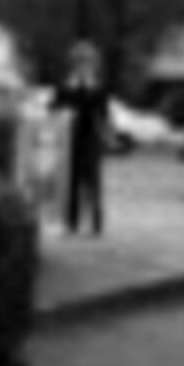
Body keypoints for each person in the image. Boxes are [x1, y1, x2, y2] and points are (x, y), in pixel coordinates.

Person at [50, 41, 111, 236]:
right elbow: (53, 108)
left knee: (93, 180)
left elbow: (104, 113)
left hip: (91, 138)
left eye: (87, 62)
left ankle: (96, 223)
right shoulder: (65, 85)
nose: (83, 66)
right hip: (70, 138)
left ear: (93, 64)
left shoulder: (98, 86)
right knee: (71, 181)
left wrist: (106, 133)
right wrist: (66, 101)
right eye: (80, 62)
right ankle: (71, 222)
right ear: (74, 64)